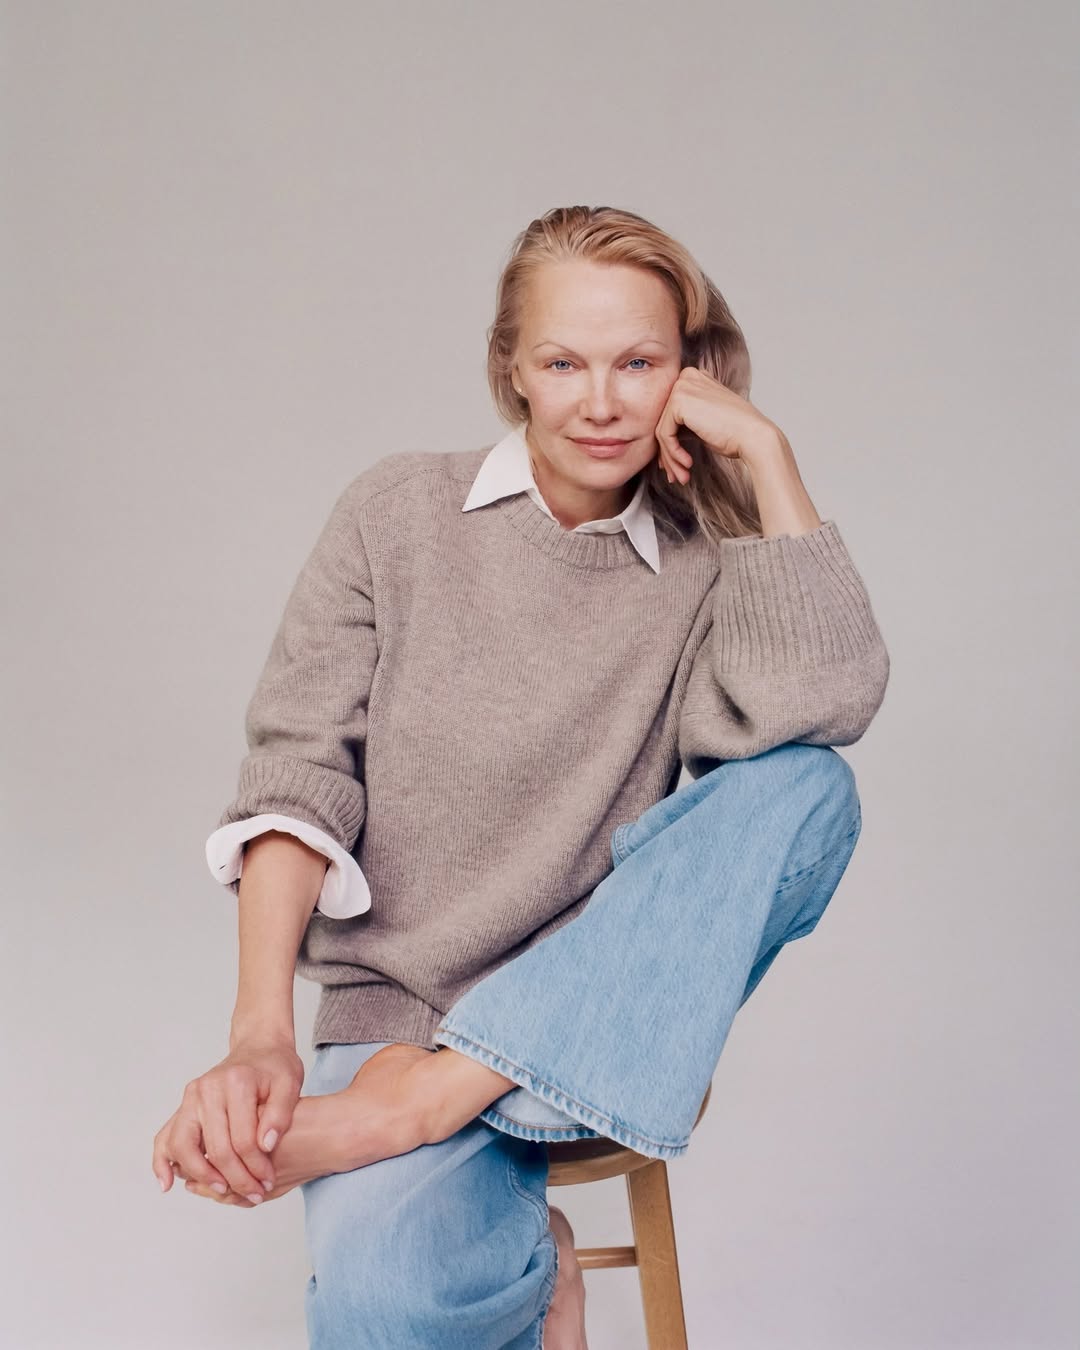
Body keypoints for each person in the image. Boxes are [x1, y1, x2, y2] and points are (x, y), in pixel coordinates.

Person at [152, 204, 890, 1349]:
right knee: (381, 1317)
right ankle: (512, 1237)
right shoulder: (396, 513)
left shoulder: (707, 567)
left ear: (689, 372)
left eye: (638, 363)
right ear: (511, 369)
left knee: (810, 790)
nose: (602, 403)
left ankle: (425, 1106)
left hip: (585, 1019)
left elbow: (827, 709)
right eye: (564, 363)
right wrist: (262, 1037)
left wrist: (768, 464)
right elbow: (297, 774)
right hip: (399, 1010)